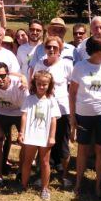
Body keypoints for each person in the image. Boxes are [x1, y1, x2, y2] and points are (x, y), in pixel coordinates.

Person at [69, 37, 101, 196]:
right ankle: (79, 183)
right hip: (83, 115)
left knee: (100, 149)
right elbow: (72, 93)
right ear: (95, 51)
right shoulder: (80, 67)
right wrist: (72, 117)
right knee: (82, 149)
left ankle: (97, 184)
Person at [30, 36, 73, 189]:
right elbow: (33, 86)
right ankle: (42, 175)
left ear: (60, 49)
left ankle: (64, 176)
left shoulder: (66, 65)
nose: (52, 50)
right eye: (49, 47)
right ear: (45, 48)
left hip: (62, 110)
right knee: (42, 143)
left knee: (63, 145)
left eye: (55, 47)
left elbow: (74, 87)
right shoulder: (39, 64)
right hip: (42, 110)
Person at [0, 62, 27, 184]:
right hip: (1, 112)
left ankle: (21, 171)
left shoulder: (19, 84)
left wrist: (22, 132)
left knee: (24, 141)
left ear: (8, 75)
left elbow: (25, 111)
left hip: (20, 112)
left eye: (2, 76)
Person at [18, 70, 59, 199]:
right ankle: (23, 185)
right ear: (34, 84)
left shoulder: (51, 100)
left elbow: (53, 119)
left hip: (45, 137)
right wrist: (21, 132)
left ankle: (45, 189)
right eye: (39, 83)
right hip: (31, 136)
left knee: (45, 162)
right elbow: (24, 115)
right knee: (27, 161)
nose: (41, 87)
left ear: (49, 85)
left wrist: (52, 137)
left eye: (44, 84)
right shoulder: (29, 99)